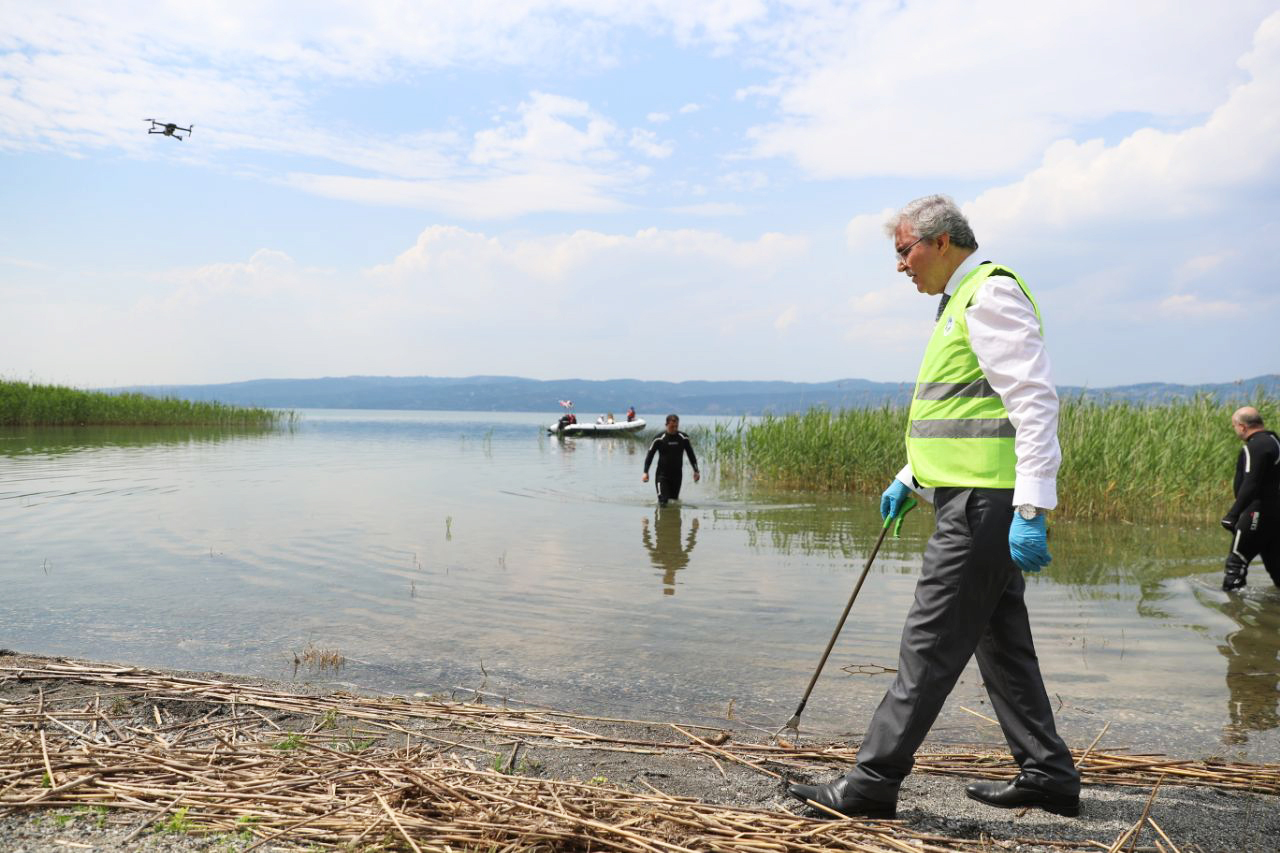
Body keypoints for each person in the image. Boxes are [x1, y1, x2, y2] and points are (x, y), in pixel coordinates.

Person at [787, 194, 1080, 819]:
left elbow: (1033, 403)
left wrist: (1032, 507)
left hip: (985, 508)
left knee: (928, 642)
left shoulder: (988, 295)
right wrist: (911, 477)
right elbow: (965, 417)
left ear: (941, 241)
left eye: (903, 251)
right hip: (968, 498)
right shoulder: (957, 303)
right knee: (1000, 641)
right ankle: (1048, 773)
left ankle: (871, 784)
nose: (900, 267)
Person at [1221, 406, 1280, 591]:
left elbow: (1251, 484)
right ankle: (1271, 613)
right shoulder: (1275, 442)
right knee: (1277, 570)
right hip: (1275, 515)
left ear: (1242, 426)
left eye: (1234, 426)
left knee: (1235, 566)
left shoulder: (1255, 447)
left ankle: (1235, 613)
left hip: (1256, 513)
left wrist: (1232, 515)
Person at [642, 414, 700, 506]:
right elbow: (650, 455)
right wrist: (645, 472)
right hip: (662, 476)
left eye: (676, 426)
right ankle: (660, 519)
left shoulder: (683, 438)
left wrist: (696, 471)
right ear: (667, 425)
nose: (675, 428)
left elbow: (691, 454)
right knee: (663, 501)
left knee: (674, 502)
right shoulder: (659, 438)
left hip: (677, 476)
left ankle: (673, 520)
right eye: (672, 426)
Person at [641, 507, 700, 595]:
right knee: (669, 506)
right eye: (670, 581)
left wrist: (645, 528)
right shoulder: (681, 563)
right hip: (672, 525)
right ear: (673, 581)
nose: (670, 578)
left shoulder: (658, 561)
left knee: (669, 506)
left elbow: (647, 544)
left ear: (664, 579)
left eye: (667, 580)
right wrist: (694, 529)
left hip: (665, 525)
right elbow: (690, 546)